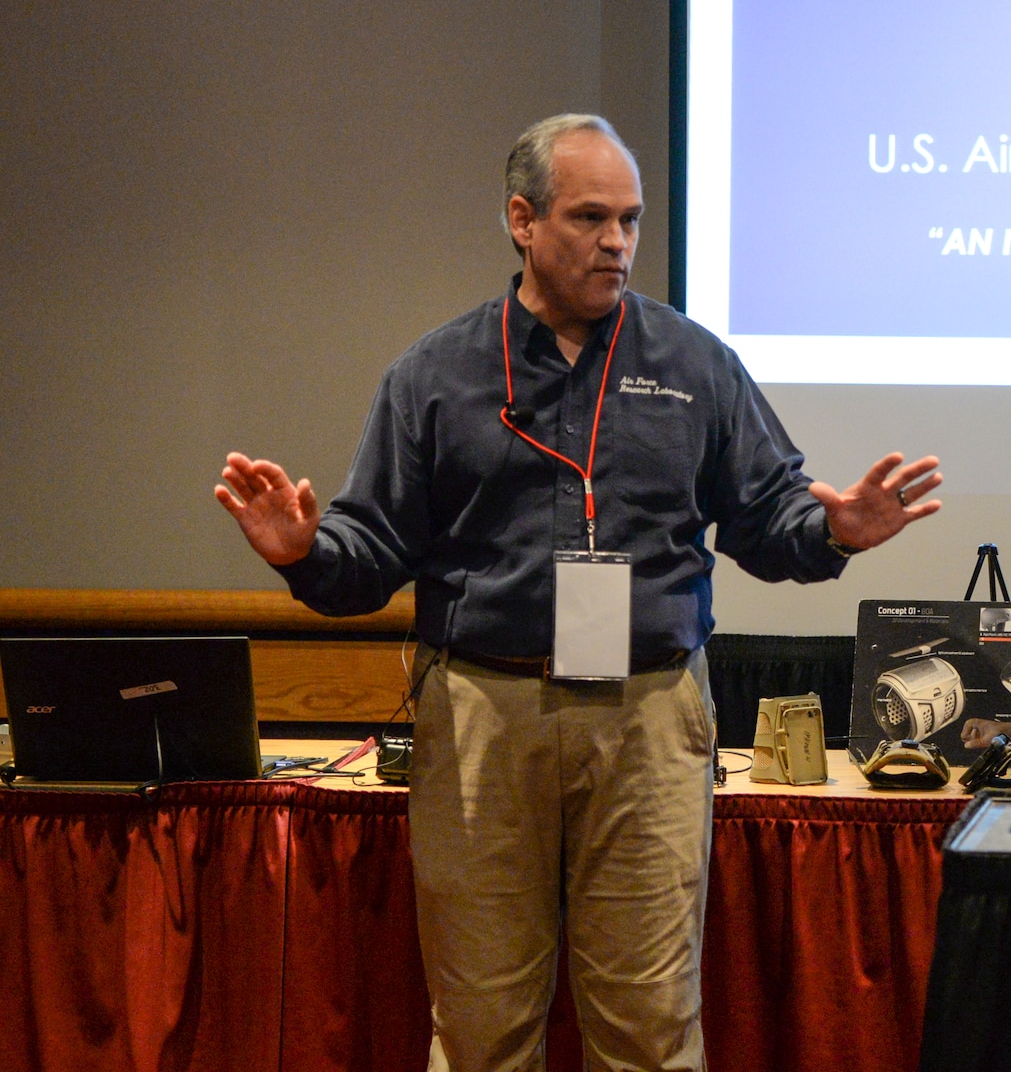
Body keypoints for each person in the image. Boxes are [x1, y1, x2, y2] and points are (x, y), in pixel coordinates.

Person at [215, 113, 941, 1071]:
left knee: (649, 1029)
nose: (618, 243)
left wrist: (835, 531)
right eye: (591, 217)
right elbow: (370, 551)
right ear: (522, 219)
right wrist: (304, 551)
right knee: (481, 1030)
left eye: (631, 220)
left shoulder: (695, 365)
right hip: (482, 711)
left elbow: (769, 519)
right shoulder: (434, 375)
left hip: (648, 716)